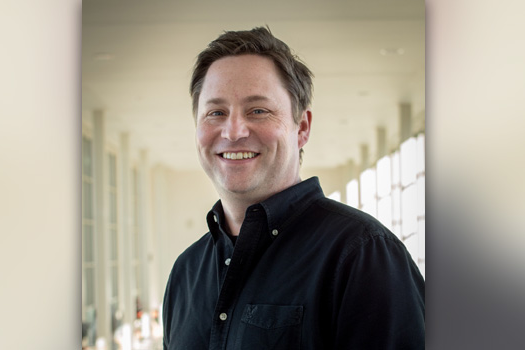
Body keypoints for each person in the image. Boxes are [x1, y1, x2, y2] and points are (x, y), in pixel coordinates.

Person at [163, 26, 425, 349]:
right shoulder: (184, 274)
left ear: (301, 128)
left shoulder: (363, 256)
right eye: (216, 112)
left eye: (258, 110)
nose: (233, 131)